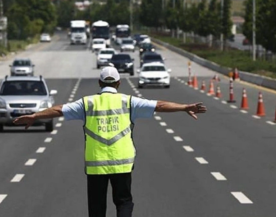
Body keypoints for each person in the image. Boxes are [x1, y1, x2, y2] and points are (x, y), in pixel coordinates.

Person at [13, 67, 207, 217]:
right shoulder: (129, 101)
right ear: (119, 83)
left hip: (96, 165)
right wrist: (184, 107)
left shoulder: (87, 103)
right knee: (123, 202)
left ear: (99, 82)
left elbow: (59, 110)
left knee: (97, 208)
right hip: (122, 162)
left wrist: (35, 116)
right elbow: (160, 105)